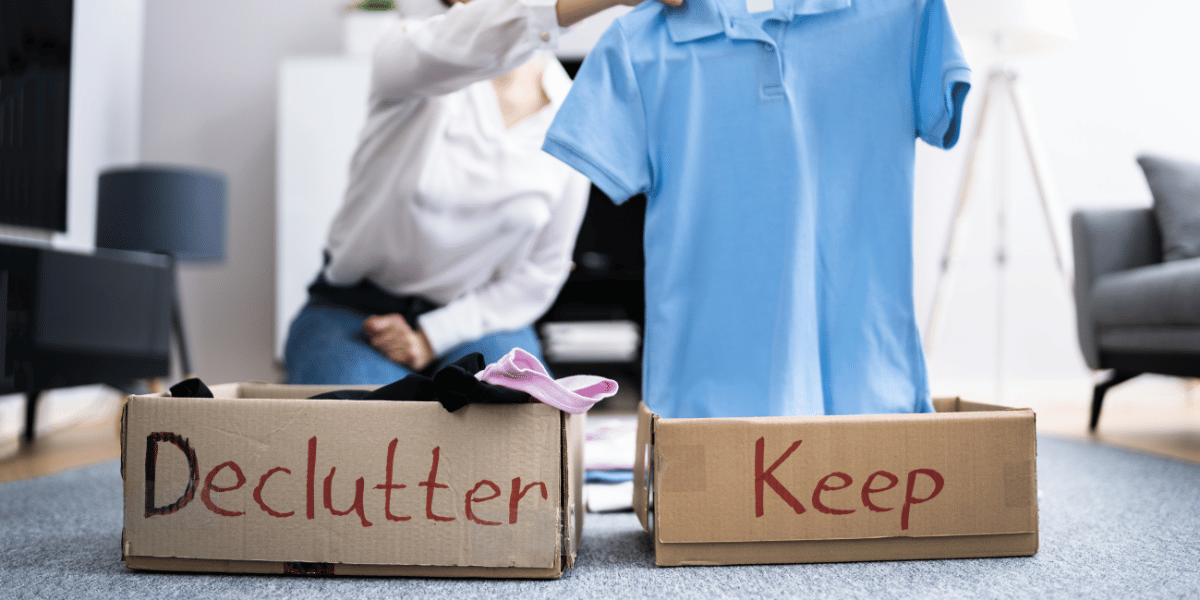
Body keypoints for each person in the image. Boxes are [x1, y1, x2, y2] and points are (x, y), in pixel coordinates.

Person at [285, 0, 678, 384]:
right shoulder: (409, 54)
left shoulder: (573, 112)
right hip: (355, 312)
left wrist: (432, 336)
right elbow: (484, 32)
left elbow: (542, 271)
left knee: (519, 417)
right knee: (370, 420)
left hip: (477, 321)